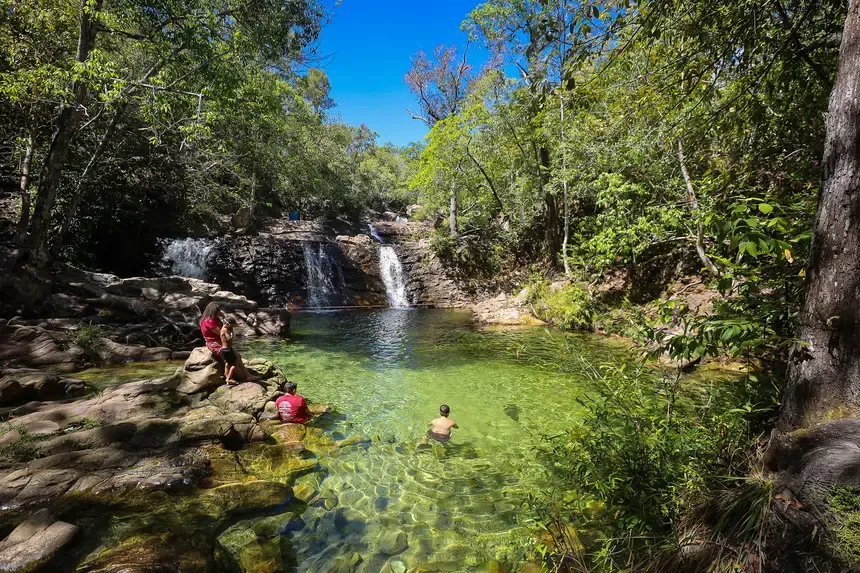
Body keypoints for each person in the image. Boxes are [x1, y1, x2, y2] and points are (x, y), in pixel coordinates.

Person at [199, 302, 259, 382]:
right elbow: (220, 333)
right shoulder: (209, 321)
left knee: (237, 356)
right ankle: (240, 376)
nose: (220, 313)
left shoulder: (208, 319)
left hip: (216, 343)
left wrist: (222, 317)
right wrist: (228, 328)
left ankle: (246, 375)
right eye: (219, 311)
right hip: (215, 344)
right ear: (214, 311)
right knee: (235, 359)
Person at [220, 317, 239, 385]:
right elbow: (228, 339)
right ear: (227, 324)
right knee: (234, 365)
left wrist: (231, 330)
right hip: (227, 350)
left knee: (227, 364)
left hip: (224, 350)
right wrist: (232, 334)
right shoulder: (225, 330)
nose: (232, 327)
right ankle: (228, 378)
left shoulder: (222, 329)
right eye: (231, 325)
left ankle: (227, 378)